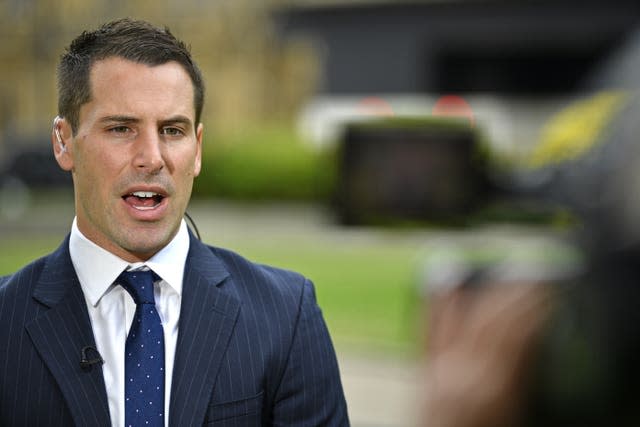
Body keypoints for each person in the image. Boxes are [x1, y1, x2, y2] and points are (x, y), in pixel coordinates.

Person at [0, 18, 349, 427]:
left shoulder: (286, 316)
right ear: (64, 142)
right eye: (121, 128)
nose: (152, 157)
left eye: (171, 130)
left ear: (197, 148)